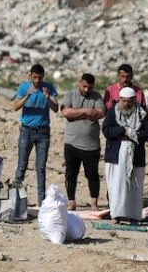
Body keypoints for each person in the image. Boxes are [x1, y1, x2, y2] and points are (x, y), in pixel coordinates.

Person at [102, 87, 148, 223]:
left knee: (134, 187)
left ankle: (134, 217)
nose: (126, 105)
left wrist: (134, 135)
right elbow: (106, 130)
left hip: (135, 156)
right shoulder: (113, 112)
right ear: (120, 100)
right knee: (116, 186)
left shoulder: (142, 113)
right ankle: (116, 215)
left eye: (129, 102)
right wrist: (123, 132)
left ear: (134, 100)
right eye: (124, 102)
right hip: (116, 156)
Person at [12, 63, 58, 204]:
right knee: (21, 166)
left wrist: (48, 97)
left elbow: (56, 108)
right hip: (26, 131)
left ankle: (41, 200)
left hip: (43, 132)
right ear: (30, 76)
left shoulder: (48, 88)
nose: (37, 81)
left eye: (39, 77)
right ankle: (17, 199)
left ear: (43, 76)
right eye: (35, 77)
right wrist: (27, 96)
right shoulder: (24, 87)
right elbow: (15, 107)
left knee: (40, 168)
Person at [61, 73, 106, 211]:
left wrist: (76, 113)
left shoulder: (97, 96)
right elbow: (66, 112)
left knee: (92, 175)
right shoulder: (70, 95)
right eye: (84, 86)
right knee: (71, 174)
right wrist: (86, 111)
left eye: (89, 87)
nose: (86, 90)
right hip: (72, 143)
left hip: (91, 145)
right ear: (79, 82)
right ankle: (72, 202)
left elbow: (101, 113)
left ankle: (94, 203)